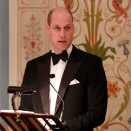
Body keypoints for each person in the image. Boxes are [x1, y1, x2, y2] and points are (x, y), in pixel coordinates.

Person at [19, 6, 108, 131]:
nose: (62, 34)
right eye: (57, 28)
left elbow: (97, 113)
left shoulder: (92, 64)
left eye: (67, 28)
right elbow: (25, 110)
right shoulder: (32, 66)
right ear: (48, 29)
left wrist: (62, 127)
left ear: (73, 29)